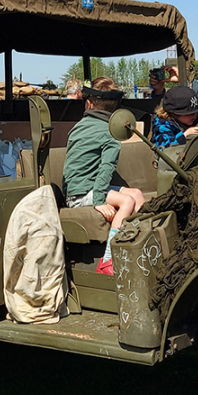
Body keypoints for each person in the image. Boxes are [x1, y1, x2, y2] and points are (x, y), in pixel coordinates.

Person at [60, 78, 147, 276]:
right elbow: (106, 170)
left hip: (79, 189)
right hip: (81, 195)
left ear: (88, 103)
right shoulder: (110, 134)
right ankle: (108, 260)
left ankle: (135, 247)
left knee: (137, 194)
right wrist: (99, 201)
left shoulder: (80, 125)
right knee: (126, 201)